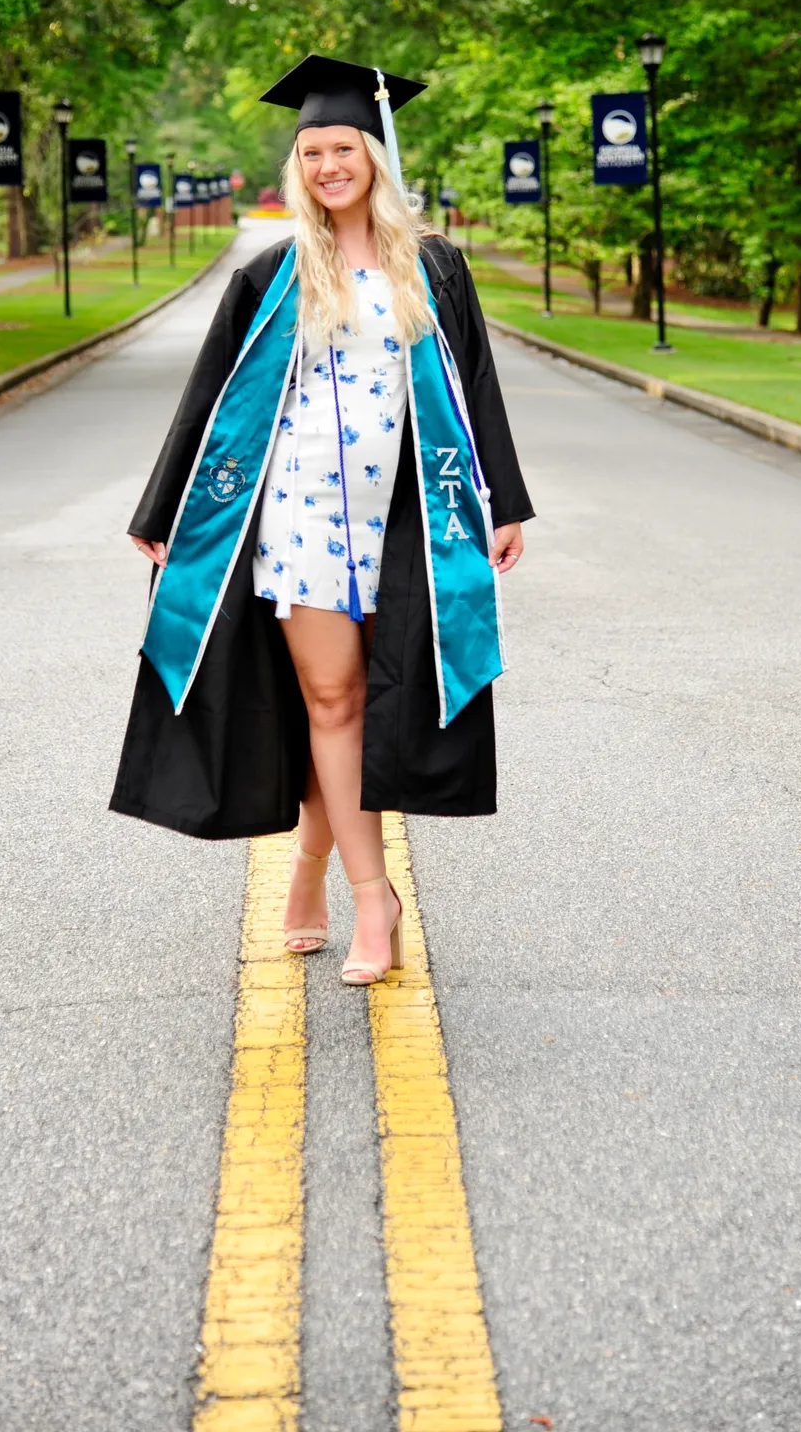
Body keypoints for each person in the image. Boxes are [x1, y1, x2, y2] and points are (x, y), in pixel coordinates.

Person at [111, 55, 533, 985]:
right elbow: (210, 399)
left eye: (343, 148)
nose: (328, 166)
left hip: (406, 520)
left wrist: (503, 503)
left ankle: (309, 866)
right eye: (312, 152)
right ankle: (374, 900)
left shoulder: (434, 268)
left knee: (369, 705)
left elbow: (477, 389)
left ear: (376, 155)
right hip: (299, 517)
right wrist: (165, 508)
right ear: (297, 165)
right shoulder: (275, 274)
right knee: (332, 701)